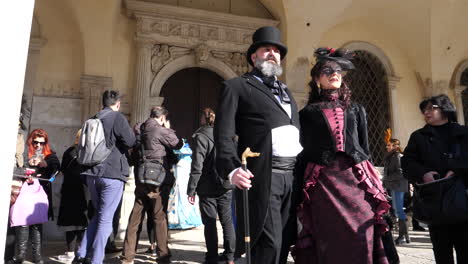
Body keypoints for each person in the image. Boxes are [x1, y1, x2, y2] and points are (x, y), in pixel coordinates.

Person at [292, 47, 390, 263]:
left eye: (338, 71)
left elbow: (364, 147)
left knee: (363, 228)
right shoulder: (307, 113)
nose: (334, 74)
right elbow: (303, 150)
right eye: (327, 71)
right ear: (317, 79)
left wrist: (373, 179)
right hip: (324, 183)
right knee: (330, 234)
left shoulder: (357, 109)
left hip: (355, 179)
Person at [215, 26, 302, 264]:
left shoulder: (287, 93)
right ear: (254, 56)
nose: (272, 53)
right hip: (264, 174)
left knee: (284, 241)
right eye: (266, 49)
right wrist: (232, 169)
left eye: (276, 50)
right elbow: (223, 134)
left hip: (291, 177)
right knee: (268, 244)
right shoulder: (236, 86)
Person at [401, 94, 468, 264]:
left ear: (444, 109)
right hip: (434, 201)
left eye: (432, 108)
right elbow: (407, 162)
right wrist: (423, 173)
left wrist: (456, 169)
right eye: (424, 109)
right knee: (441, 251)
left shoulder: (463, 133)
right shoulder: (419, 137)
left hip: (462, 200)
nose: (426, 112)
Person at [73, 90, 136, 264]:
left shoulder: (93, 118)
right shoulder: (117, 117)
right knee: (105, 219)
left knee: (97, 215)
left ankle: (81, 254)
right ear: (117, 104)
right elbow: (131, 141)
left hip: (92, 174)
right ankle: (96, 260)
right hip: (112, 174)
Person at [121, 106, 182, 264]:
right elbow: (178, 144)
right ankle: (163, 257)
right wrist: (168, 129)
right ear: (162, 118)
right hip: (157, 180)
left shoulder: (139, 129)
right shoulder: (159, 130)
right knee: (159, 217)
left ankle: (127, 257)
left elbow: (131, 153)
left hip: (141, 177)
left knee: (135, 218)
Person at [187, 108, 235, 264]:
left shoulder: (201, 136)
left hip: (207, 186)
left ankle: (212, 258)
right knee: (227, 221)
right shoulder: (225, 135)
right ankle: (230, 257)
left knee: (209, 223)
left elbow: (197, 166)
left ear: (203, 119)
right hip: (225, 183)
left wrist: (191, 189)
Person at [13, 128, 60, 264]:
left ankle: (37, 257)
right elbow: (16, 167)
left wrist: (46, 164)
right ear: (30, 141)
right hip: (23, 192)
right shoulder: (24, 153)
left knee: (37, 224)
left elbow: (56, 168)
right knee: (22, 223)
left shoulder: (49, 154)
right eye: (35, 142)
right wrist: (27, 168)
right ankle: (20, 255)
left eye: (42, 143)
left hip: (40, 193)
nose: (38, 145)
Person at [57, 130, 88, 261]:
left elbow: (63, 170)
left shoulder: (69, 151)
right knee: (81, 224)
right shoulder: (89, 153)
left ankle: (70, 253)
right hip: (84, 190)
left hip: (69, 189)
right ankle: (81, 253)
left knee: (70, 224)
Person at [382, 129, 410, 245]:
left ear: (394, 146)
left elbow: (400, 172)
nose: (387, 147)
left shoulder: (397, 156)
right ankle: (405, 236)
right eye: (387, 145)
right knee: (397, 210)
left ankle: (403, 236)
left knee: (399, 211)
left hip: (398, 186)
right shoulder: (391, 156)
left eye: (389, 145)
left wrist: (385, 179)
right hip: (394, 185)